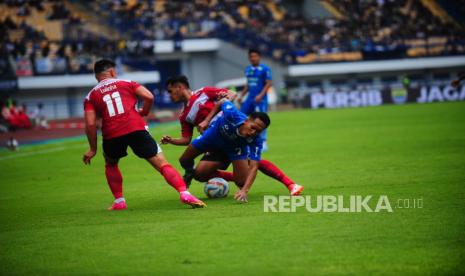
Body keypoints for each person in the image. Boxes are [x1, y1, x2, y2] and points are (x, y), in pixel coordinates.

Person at [82, 59, 206, 210]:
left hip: (112, 133)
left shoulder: (90, 96)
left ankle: (119, 201)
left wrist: (92, 149)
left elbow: (90, 123)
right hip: (136, 127)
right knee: (162, 164)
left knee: (111, 163)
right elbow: (149, 96)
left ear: (97, 77)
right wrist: (145, 112)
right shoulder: (127, 82)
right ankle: (184, 192)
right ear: (113, 72)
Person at [161, 76, 303, 197]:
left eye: (170, 91)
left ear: (179, 87)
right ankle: (198, 174)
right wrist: (172, 140)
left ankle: (289, 183)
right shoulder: (183, 115)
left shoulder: (204, 92)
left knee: (252, 163)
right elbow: (186, 139)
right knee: (200, 174)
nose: (169, 95)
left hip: (234, 133)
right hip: (214, 140)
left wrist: (221, 105)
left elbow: (230, 95)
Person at [179, 99, 270, 202]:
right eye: (252, 127)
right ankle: (190, 173)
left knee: (241, 182)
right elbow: (222, 101)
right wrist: (206, 121)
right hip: (212, 138)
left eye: (258, 131)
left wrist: (245, 190)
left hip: (235, 150)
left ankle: (238, 174)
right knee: (187, 162)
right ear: (246, 121)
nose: (253, 132)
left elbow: (254, 167)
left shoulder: (256, 140)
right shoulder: (232, 114)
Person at [237, 49, 272, 150]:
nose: (253, 58)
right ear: (249, 58)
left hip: (260, 99)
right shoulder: (248, 69)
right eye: (251, 56)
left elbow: (268, 83)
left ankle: (263, 141)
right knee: (241, 116)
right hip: (250, 98)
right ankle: (242, 137)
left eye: (255, 56)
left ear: (259, 57)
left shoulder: (265, 69)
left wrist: (260, 95)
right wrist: (241, 95)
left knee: (261, 121)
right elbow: (248, 84)